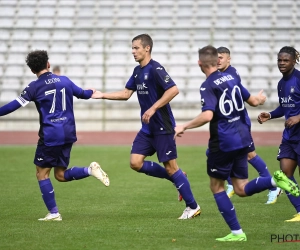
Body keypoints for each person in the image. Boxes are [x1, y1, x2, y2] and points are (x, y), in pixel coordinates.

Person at [174, 45, 299, 241]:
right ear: (217, 61)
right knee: (241, 188)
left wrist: (184, 126)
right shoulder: (232, 78)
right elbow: (253, 101)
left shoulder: (207, 85)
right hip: (242, 136)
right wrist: (259, 99)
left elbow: (207, 115)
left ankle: (237, 233)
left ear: (199, 63)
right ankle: (275, 181)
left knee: (216, 187)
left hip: (224, 141)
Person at [91, 34, 201, 219]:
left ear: (147, 48)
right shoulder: (137, 71)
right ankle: (178, 176)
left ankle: (193, 207)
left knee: (170, 167)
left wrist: (153, 107)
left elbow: (173, 89)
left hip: (162, 126)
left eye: (136, 48)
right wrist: (102, 95)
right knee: (135, 163)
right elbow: (126, 94)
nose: (133, 51)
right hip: (147, 129)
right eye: (132, 48)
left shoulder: (156, 68)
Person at [0, 50, 110, 221]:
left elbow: (12, 106)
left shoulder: (33, 87)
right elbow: (83, 94)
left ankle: (54, 213)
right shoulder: (64, 80)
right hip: (68, 133)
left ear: (32, 70)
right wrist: (92, 92)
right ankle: (90, 170)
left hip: (51, 135)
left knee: (42, 174)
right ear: (48, 64)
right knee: (60, 175)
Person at [217, 46, 281, 204]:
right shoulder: (222, 75)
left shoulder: (230, 75)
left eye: (221, 57)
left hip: (238, 124)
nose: (217, 60)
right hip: (229, 124)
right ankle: (232, 183)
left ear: (228, 59)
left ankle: (273, 187)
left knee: (250, 155)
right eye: (215, 57)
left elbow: (244, 97)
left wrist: (256, 100)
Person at [258, 46, 300, 222]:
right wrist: (270, 115)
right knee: (284, 174)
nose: (282, 63)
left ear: (293, 61)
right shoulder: (281, 84)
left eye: (285, 60)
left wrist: (298, 117)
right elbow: (284, 107)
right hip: (290, 136)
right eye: (279, 60)